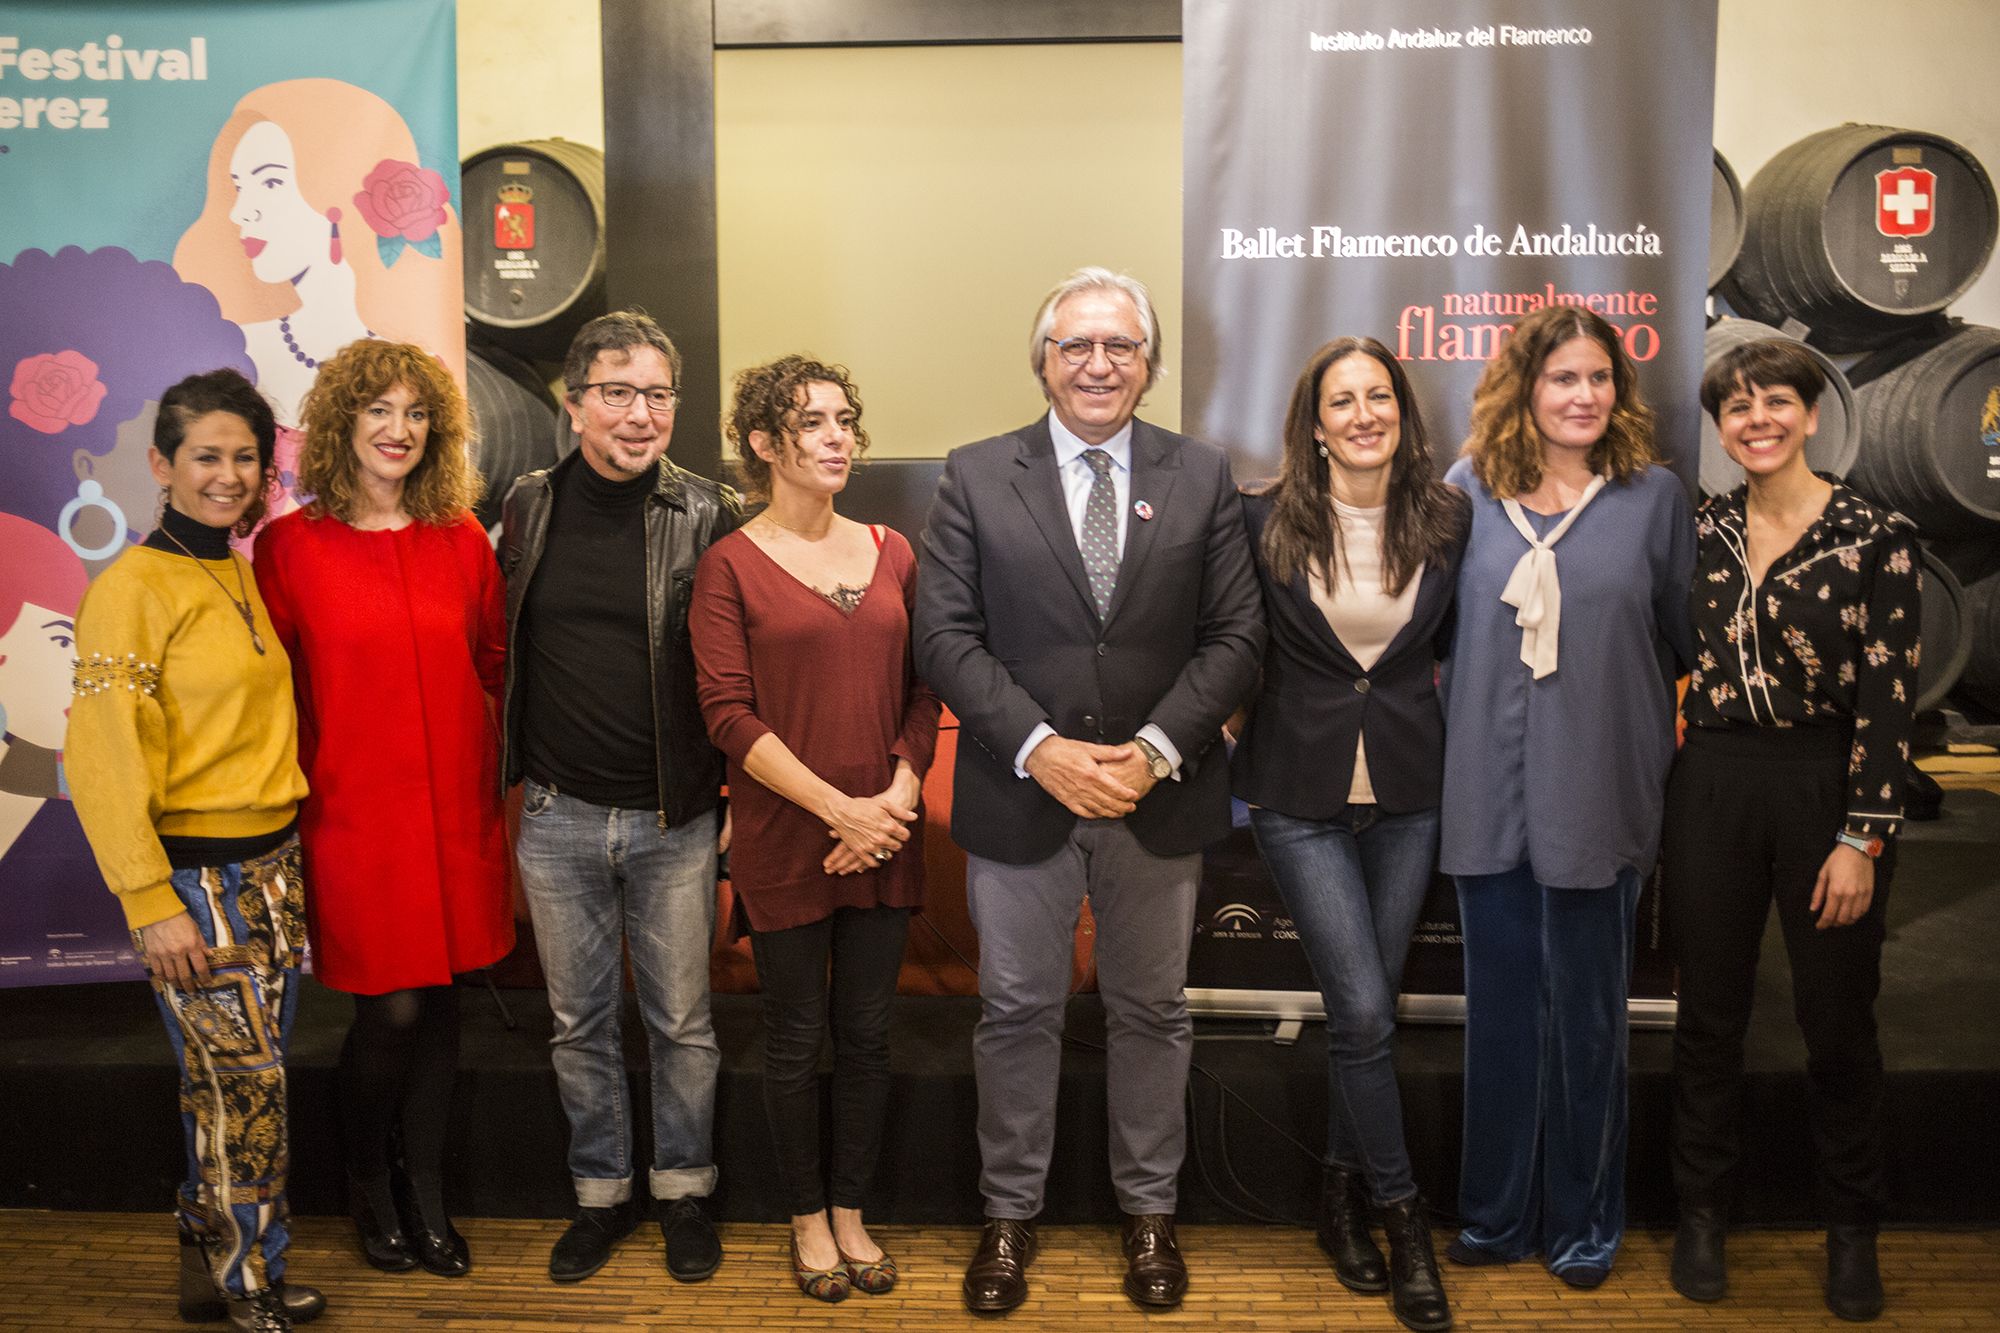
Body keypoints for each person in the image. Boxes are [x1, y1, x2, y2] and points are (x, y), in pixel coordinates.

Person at [913, 267, 1264, 1314]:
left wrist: (1156, 749)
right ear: (1044, 361)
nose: (1098, 363)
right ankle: (1007, 1216)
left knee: (1150, 1010)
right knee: (1015, 1009)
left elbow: (1237, 637)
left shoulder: (1200, 476)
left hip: (1159, 797)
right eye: (1077, 346)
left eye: (1119, 346)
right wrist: (1039, 746)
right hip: (1020, 794)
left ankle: (1148, 1214)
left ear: (1147, 365)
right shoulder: (976, 474)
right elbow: (943, 635)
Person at [1438, 304, 1694, 1287]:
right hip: (1486, 793)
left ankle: (1584, 1221)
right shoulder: (1467, 492)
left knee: (1587, 1019)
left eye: (1598, 379)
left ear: (1616, 394)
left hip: (1598, 784)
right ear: (1523, 391)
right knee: (1500, 1015)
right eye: (1561, 379)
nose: (1581, 395)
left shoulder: (1652, 498)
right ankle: (1497, 1215)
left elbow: (1676, 635)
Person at [1664, 339, 1920, 1323]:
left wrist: (1861, 837)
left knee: (1835, 1019)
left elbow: (1891, 702)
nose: (1755, 418)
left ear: (1810, 415)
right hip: (1714, 779)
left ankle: (1851, 1227)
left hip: (1826, 784)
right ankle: (1699, 1212)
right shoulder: (1702, 527)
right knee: (1707, 1016)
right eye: (1735, 407)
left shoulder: (1874, 535)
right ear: (1720, 427)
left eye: (1774, 401)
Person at [65, 369, 324, 1332]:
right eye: (206, 456)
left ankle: (208, 1247)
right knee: (244, 1094)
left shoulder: (235, 566)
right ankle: (246, 1283)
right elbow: (99, 760)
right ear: (161, 465)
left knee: (227, 1088)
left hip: (271, 870)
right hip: (195, 885)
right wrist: (148, 899)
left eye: (245, 457)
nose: (227, 475)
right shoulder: (131, 588)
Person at [253, 341, 512, 1280]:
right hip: (355, 821)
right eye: (378, 412)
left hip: (457, 814)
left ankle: (427, 1197)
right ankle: (367, 1178)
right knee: (392, 1010)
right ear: (340, 426)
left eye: (415, 414)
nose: (399, 431)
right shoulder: (288, 547)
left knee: (442, 1008)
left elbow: (494, 665)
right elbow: (271, 694)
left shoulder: (461, 540)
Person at [690, 355, 941, 1303]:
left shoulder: (892, 548)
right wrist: (839, 810)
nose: (838, 438)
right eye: (812, 423)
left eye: (845, 420)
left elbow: (926, 688)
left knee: (868, 1036)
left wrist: (895, 801)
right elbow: (727, 714)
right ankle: (804, 1217)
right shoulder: (729, 563)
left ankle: (851, 1210)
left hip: (885, 831)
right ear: (763, 444)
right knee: (796, 1039)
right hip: (788, 836)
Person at [1231, 337, 1469, 1333]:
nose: (1362, 412)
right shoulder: (1260, 518)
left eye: (1378, 396)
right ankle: (1402, 1218)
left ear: (1401, 415)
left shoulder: (1450, 520)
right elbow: (1228, 642)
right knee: (1365, 1009)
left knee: (1363, 1019)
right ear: (1314, 421)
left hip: (1413, 791)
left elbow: (1461, 646)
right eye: (1342, 399)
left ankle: (1337, 1199)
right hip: (1297, 794)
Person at [499, 310, 740, 1285]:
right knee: (580, 1024)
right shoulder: (523, 505)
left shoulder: (708, 511)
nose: (638, 415)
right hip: (555, 820)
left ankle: (684, 1190)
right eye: (617, 392)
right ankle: (601, 1195)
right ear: (573, 402)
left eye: (656, 395)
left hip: (672, 819)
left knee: (682, 1023)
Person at [174, 78, 462, 523]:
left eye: (269, 183)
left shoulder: (421, 372)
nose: (240, 211)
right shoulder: (235, 351)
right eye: (238, 186)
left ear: (332, 192)